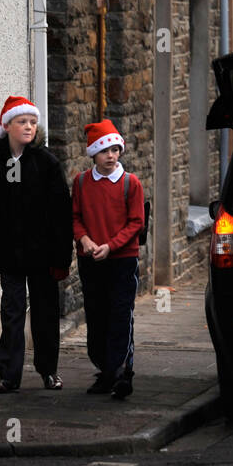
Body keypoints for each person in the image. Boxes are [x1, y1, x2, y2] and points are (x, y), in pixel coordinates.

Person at [0, 96, 73, 393]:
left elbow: (62, 213)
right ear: (6, 126)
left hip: (43, 256)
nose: (29, 127)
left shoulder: (46, 163)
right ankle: (9, 375)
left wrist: (61, 259)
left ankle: (49, 371)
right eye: (22, 122)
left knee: (45, 314)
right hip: (9, 256)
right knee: (12, 312)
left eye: (32, 122)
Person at [71, 119, 145, 399]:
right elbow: (75, 217)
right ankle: (105, 369)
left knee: (120, 314)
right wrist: (85, 240)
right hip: (90, 259)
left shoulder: (130, 183)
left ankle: (123, 372)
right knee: (97, 314)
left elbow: (136, 222)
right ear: (94, 154)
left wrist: (110, 246)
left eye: (115, 150)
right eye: (104, 151)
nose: (111, 156)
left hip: (122, 259)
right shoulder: (81, 182)